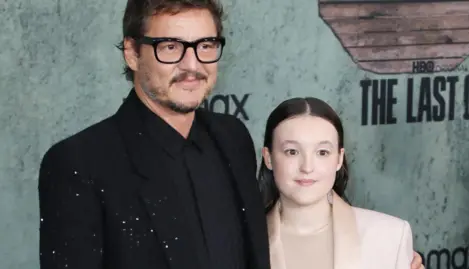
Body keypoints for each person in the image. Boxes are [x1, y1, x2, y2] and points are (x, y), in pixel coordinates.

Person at [37, 0, 424, 269]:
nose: (192, 65)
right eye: (170, 47)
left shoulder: (231, 137)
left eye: (205, 46)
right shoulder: (80, 163)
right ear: (132, 53)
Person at [258, 97, 423, 269]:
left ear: (339, 159)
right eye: (292, 151)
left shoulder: (389, 237)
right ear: (268, 158)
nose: (307, 167)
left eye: (322, 152)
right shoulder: (242, 243)